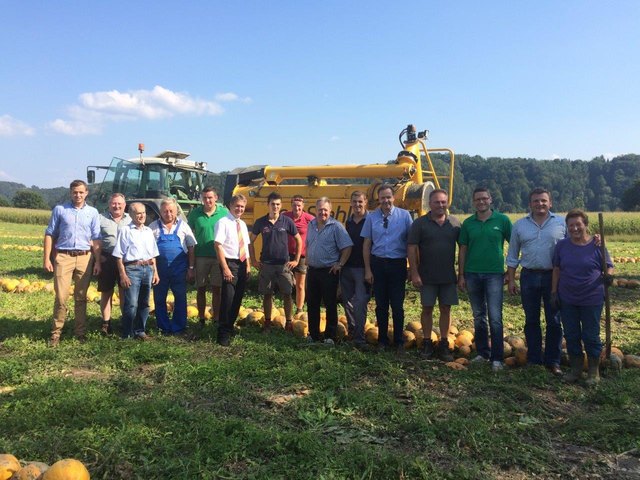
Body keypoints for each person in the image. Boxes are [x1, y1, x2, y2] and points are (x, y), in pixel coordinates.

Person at [506, 188, 565, 376]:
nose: (540, 204)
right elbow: (513, 254)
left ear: (550, 203)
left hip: (553, 277)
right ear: (530, 204)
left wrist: (594, 241)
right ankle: (534, 359)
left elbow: (576, 243)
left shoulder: (561, 223)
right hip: (529, 276)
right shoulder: (520, 225)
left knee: (554, 320)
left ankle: (553, 361)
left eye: (543, 201)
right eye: (536, 201)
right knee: (531, 320)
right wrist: (511, 279)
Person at [552, 209, 613, 385]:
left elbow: (608, 265)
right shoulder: (562, 246)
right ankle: (576, 370)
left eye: (578, 224)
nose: (575, 228)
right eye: (571, 225)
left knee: (591, 335)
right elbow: (556, 269)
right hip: (568, 298)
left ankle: (594, 372)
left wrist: (608, 275)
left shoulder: (596, 245)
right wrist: (554, 292)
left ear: (585, 225)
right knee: (571, 335)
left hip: (591, 298)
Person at [458, 187, 512, 372]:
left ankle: (497, 358)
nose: (481, 202)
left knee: (495, 317)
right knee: (479, 315)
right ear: (473, 202)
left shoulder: (502, 221)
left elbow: (515, 245)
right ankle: (483, 352)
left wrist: (510, 272)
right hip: (472, 274)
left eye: (484, 198)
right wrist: (461, 275)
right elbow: (463, 250)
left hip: (494, 274)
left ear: (490, 200)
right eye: (477, 199)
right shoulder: (468, 223)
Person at [43, 179, 101, 346]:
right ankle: (56, 333)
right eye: (75, 192)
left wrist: (97, 261)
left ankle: (80, 332)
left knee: (81, 297)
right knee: (61, 297)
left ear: (86, 193)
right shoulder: (60, 210)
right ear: (70, 193)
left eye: (81, 192)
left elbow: (96, 238)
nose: (78, 195)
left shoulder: (93, 212)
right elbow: (49, 234)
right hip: (63, 257)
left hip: (85, 257)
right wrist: (47, 258)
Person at [408, 189, 460, 361]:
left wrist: (462, 273)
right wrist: (414, 272)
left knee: (446, 308)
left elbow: (465, 247)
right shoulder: (420, 224)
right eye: (437, 202)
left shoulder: (455, 224)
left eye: (443, 202)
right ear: (429, 204)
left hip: (448, 276)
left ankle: (444, 342)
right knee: (427, 308)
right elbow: (412, 248)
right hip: (426, 275)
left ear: (447, 203)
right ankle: (428, 342)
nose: (440, 205)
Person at [362, 184, 413, 352]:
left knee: (397, 305)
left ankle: (399, 341)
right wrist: (368, 269)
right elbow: (367, 244)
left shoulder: (404, 216)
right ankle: (382, 340)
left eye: (388, 197)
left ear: (394, 198)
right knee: (381, 305)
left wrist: (412, 267)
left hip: (397, 264)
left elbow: (411, 244)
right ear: (378, 199)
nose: (386, 201)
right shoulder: (371, 217)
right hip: (378, 264)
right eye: (382, 198)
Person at [249, 192, 302, 332]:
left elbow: (299, 240)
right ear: (268, 205)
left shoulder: (287, 221)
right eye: (273, 204)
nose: (275, 207)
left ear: (281, 205)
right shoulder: (261, 222)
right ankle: (267, 322)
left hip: (283, 265)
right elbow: (250, 241)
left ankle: (289, 323)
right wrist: (253, 260)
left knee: (287, 294)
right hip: (266, 265)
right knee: (267, 294)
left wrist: (296, 260)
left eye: (278, 204)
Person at [305, 197, 353, 344]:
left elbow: (347, 247)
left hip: (328, 271)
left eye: (325, 210)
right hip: (312, 271)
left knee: (330, 304)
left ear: (330, 211)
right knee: (312, 304)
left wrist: (340, 264)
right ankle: (313, 335)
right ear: (316, 210)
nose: (322, 213)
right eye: (320, 210)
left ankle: (330, 336)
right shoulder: (311, 224)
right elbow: (308, 244)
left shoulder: (336, 227)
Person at [112, 202, 160, 340]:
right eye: (138, 213)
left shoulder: (148, 231)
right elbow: (119, 256)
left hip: (148, 268)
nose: (141, 216)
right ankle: (127, 333)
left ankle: (140, 331)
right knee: (132, 303)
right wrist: (123, 275)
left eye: (143, 213)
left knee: (144, 303)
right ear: (131, 215)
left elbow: (153, 255)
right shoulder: (125, 231)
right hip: (132, 269)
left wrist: (155, 272)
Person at [151, 198, 196, 335]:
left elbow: (191, 247)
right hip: (160, 270)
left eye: (171, 211)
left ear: (176, 211)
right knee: (159, 298)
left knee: (180, 298)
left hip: (179, 269)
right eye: (165, 211)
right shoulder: (153, 227)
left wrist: (191, 268)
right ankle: (163, 326)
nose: (168, 214)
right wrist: (153, 271)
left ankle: (179, 327)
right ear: (160, 212)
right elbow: (148, 250)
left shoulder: (184, 226)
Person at [187, 186, 229, 327]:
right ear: (201, 199)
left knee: (217, 288)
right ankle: (201, 319)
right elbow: (188, 234)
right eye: (204, 197)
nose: (207, 200)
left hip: (218, 257)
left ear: (216, 198)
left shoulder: (224, 213)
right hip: (200, 256)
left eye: (210, 197)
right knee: (201, 288)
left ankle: (216, 318)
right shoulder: (195, 214)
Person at [214, 194, 251, 346]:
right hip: (229, 263)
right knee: (228, 299)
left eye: (242, 207)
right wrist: (225, 268)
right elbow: (217, 245)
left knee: (237, 299)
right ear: (230, 205)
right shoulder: (223, 222)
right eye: (237, 206)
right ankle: (222, 334)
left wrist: (248, 264)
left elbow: (246, 246)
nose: (239, 209)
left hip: (242, 263)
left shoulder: (242, 224)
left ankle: (230, 327)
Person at [97, 193, 131, 335]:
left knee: (124, 291)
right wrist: (98, 259)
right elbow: (94, 240)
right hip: (107, 258)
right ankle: (106, 322)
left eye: (119, 204)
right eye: (114, 203)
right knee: (106, 292)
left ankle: (125, 321)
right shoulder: (100, 218)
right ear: (109, 204)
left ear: (124, 205)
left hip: (125, 259)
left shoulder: (130, 219)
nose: (116, 206)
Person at [340, 191, 371, 349]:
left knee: (360, 303)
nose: (357, 205)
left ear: (365, 202)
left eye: (360, 201)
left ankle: (360, 339)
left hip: (362, 268)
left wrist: (369, 270)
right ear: (351, 203)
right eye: (354, 202)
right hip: (347, 267)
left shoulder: (371, 220)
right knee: (348, 303)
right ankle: (353, 331)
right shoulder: (348, 222)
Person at [283, 195, 315, 314]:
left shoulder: (309, 218)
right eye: (294, 205)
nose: (297, 208)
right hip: (286, 254)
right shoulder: (285, 216)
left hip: (301, 256)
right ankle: (287, 308)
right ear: (291, 205)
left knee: (300, 285)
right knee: (286, 283)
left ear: (303, 206)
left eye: (299, 206)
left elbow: (319, 229)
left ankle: (299, 309)